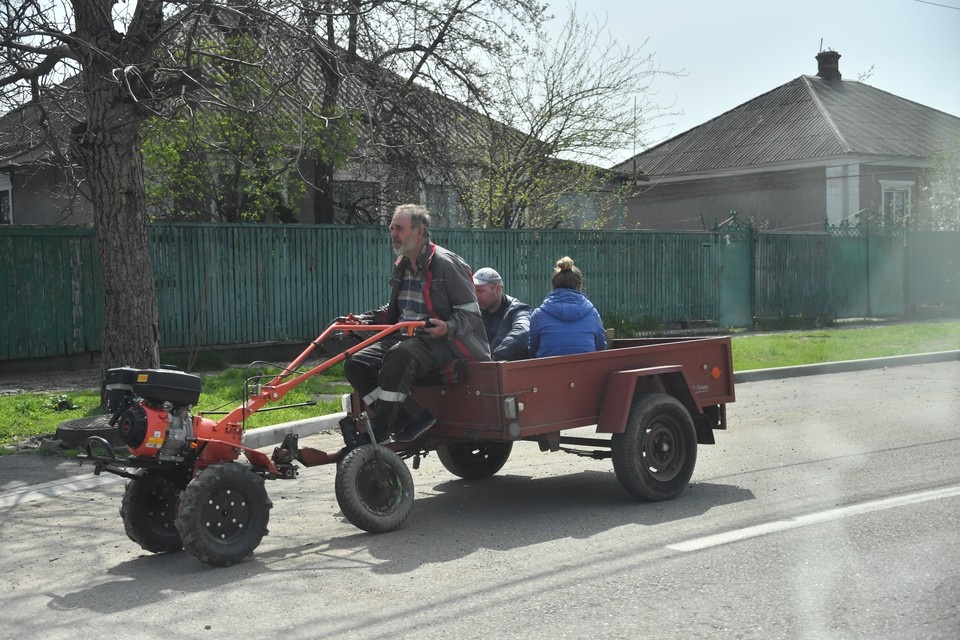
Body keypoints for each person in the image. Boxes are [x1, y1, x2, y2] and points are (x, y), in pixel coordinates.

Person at [341, 204, 490, 442]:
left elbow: (471, 314)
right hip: (405, 337)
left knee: (398, 356)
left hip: (441, 340)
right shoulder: (401, 264)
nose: (393, 234)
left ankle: (380, 430)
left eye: (399, 228)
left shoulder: (447, 264)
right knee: (355, 364)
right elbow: (399, 309)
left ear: (419, 231)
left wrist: (447, 327)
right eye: (391, 228)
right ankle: (412, 415)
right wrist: (363, 319)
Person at [528, 256, 607, 357]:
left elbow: (532, 351)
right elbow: (601, 349)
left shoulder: (538, 315)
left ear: (553, 285)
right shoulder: (592, 314)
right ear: (580, 286)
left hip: (548, 372)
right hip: (586, 371)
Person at [473, 267, 531, 361]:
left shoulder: (518, 310)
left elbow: (522, 331)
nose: (476, 296)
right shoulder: (475, 312)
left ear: (497, 289)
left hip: (510, 372)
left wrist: (495, 359)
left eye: (480, 291)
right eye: (473, 291)